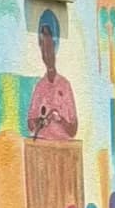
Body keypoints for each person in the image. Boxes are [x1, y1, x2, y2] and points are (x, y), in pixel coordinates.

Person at [27, 10, 78, 142]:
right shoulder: (40, 87)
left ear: (55, 47)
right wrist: (42, 120)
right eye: (43, 47)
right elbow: (31, 125)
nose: (46, 53)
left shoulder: (65, 86)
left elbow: (73, 129)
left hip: (63, 149)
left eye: (49, 47)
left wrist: (59, 119)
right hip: (43, 149)